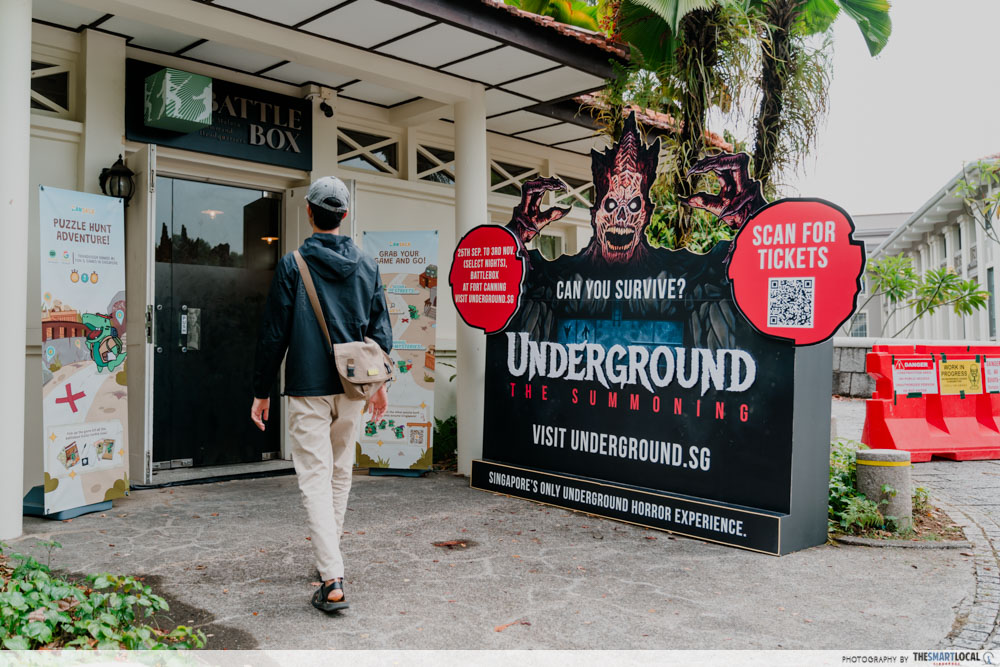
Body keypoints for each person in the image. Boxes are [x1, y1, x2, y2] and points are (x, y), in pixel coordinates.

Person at [250, 176, 392, 613]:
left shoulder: (294, 264)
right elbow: (381, 332)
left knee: (314, 476)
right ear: (344, 215)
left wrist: (261, 391)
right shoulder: (368, 266)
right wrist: (379, 385)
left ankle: (332, 577)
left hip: (308, 387)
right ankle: (327, 559)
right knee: (339, 471)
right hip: (353, 388)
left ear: (309, 213)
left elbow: (274, 332)